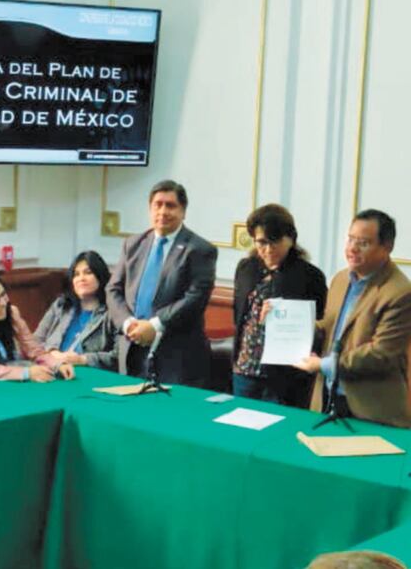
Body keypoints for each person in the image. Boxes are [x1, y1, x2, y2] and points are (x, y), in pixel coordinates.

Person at [294, 209, 411, 427]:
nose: (352, 248)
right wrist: (287, 324)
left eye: (363, 243)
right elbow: (330, 327)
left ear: (386, 248)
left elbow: (381, 354)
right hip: (327, 398)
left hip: (371, 408)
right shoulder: (340, 279)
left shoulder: (400, 292)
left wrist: (324, 365)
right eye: (350, 239)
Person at [107, 179, 217, 386]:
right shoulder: (133, 244)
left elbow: (195, 298)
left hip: (176, 356)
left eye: (171, 205)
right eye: (158, 205)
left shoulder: (200, 249)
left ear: (183, 211)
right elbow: (113, 289)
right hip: (131, 347)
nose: (163, 211)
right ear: (150, 209)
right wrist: (128, 323)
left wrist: (154, 325)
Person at [232, 204, 327, 407]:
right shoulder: (246, 269)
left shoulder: (310, 275)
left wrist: (287, 314)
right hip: (245, 368)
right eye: (261, 242)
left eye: (275, 242)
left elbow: (322, 325)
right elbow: (239, 316)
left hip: (285, 375)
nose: (267, 249)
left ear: (291, 239)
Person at [34, 250, 118, 370]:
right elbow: (35, 342)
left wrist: (83, 359)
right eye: (76, 274)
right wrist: (52, 352)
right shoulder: (61, 305)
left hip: (89, 376)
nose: (81, 278)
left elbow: (117, 357)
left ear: (100, 276)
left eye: (88, 273)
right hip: (53, 370)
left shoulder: (113, 312)